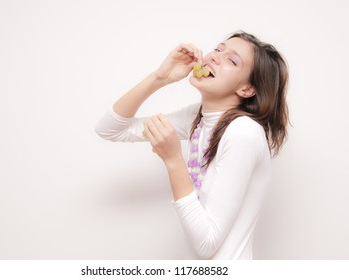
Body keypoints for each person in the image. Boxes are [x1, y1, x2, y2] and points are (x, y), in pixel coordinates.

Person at [95, 31, 289, 259]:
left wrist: (173, 159)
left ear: (246, 89)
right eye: (218, 49)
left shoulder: (243, 132)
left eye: (232, 60)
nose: (214, 57)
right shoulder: (197, 117)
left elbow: (207, 244)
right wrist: (160, 77)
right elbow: (109, 129)